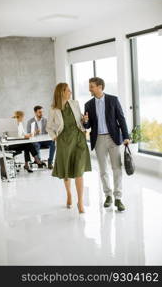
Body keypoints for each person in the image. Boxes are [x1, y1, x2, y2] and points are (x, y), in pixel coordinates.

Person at [84, 77, 130, 211]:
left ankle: (118, 198)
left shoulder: (113, 100)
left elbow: (121, 119)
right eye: (89, 86)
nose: (89, 89)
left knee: (117, 168)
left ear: (99, 87)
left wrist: (126, 136)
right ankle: (108, 195)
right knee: (103, 170)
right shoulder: (88, 104)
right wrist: (85, 121)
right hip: (98, 139)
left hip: (113, 138)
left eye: (91, 86)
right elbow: (87, 126)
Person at [46, 83, 92, 213]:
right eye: (68, 90)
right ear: (62, 92)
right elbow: (48, 127)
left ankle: (81, 202)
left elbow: (81, 121)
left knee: (79, 171)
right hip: (64, 141)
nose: (70, 92)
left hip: (79, 139)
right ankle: (69, 194)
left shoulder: (75, 103)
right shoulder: (53, 109)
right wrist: (55, 137)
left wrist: (84, 119)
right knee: (67, 171)